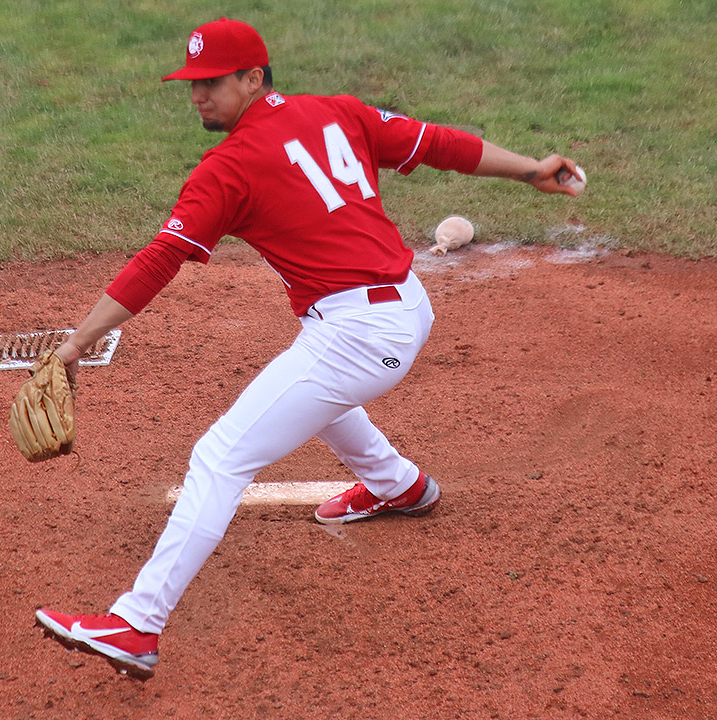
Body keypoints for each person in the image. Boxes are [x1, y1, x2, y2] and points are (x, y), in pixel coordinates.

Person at [33, 17, 583, 680]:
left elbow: (159, 261)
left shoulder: (227, 169)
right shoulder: (337, 112)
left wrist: (73, 347)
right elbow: (434, 143)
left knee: (219, 457)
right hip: (403, 307)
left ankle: (137, 623)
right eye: (191, 84)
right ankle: (399, 484)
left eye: (211, 83)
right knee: (313, 384)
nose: (197, 97)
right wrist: (531, 170)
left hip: (359, 335)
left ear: (253, 77)